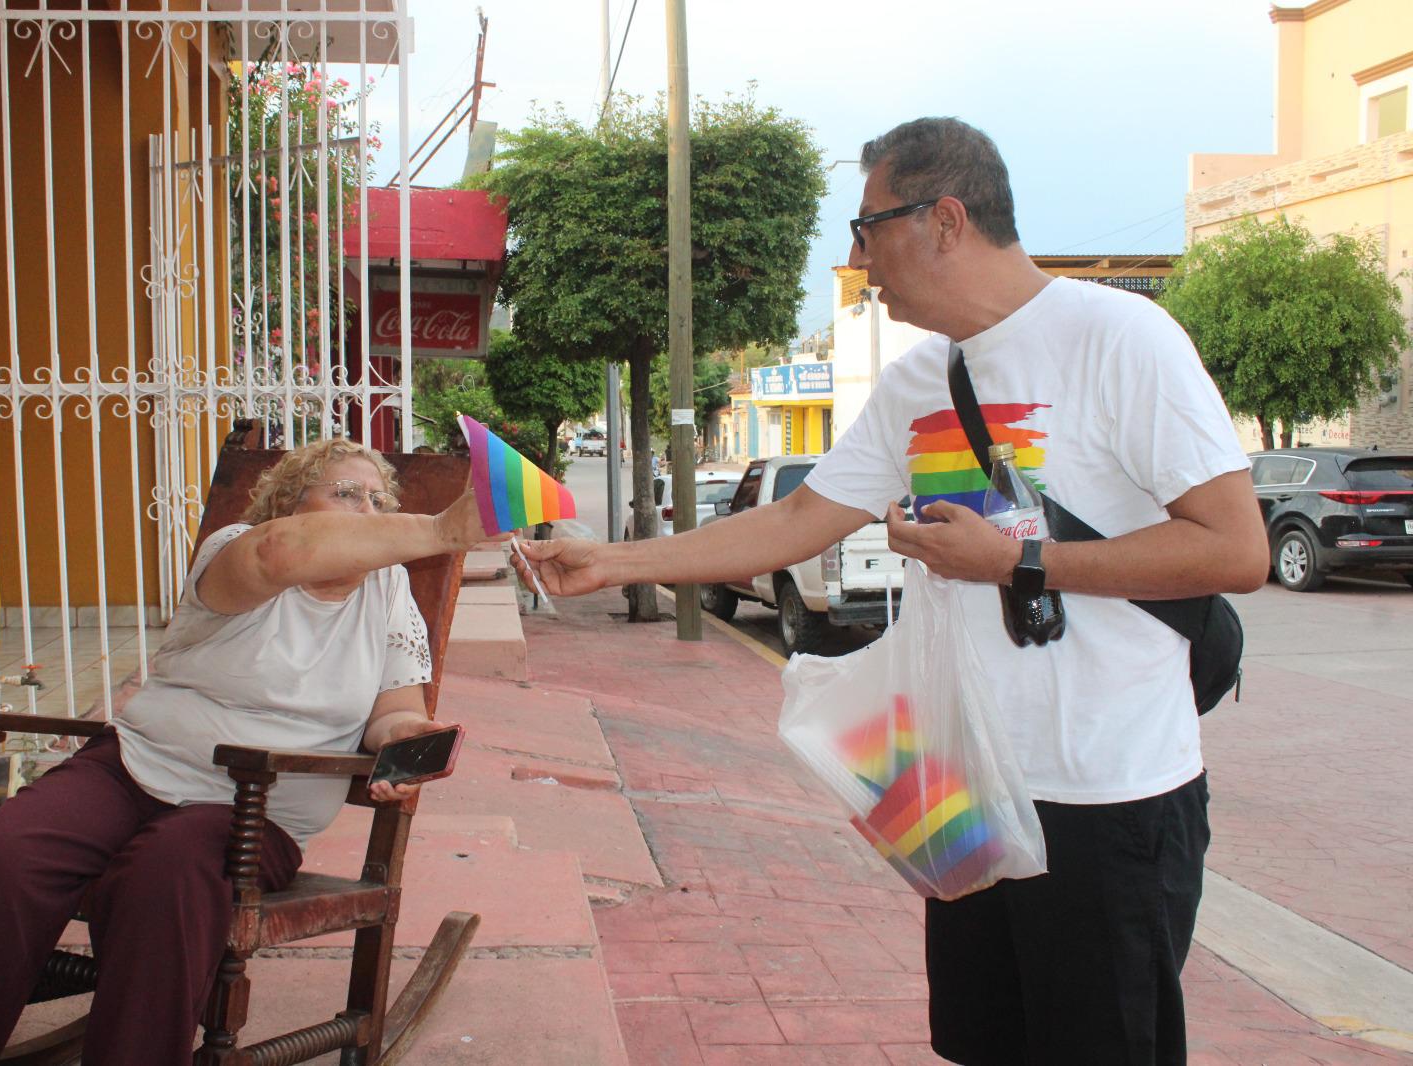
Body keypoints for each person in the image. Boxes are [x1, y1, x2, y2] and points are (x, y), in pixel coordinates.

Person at [516, 117, 1270, 1065]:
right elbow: (798, 523)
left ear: (946, 218)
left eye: (868, 227)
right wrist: (616, 563)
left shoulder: (1121, 339)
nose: (859, 258)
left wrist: (1022, 564)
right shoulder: (921, 378)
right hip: (959, 788)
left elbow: (1236, 549)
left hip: (1106, 799)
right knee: (981, 1045)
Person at [0, 438, 502, 1066]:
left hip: (252, 812)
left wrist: (403, 744)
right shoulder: (237, 549)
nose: (367, 509)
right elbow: (281, 552)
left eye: (378, 499)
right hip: (133, 768)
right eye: (345, 492)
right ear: (290, 503)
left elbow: (396, 709)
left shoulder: (390, 588)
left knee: (163, 880)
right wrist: (442, 528)